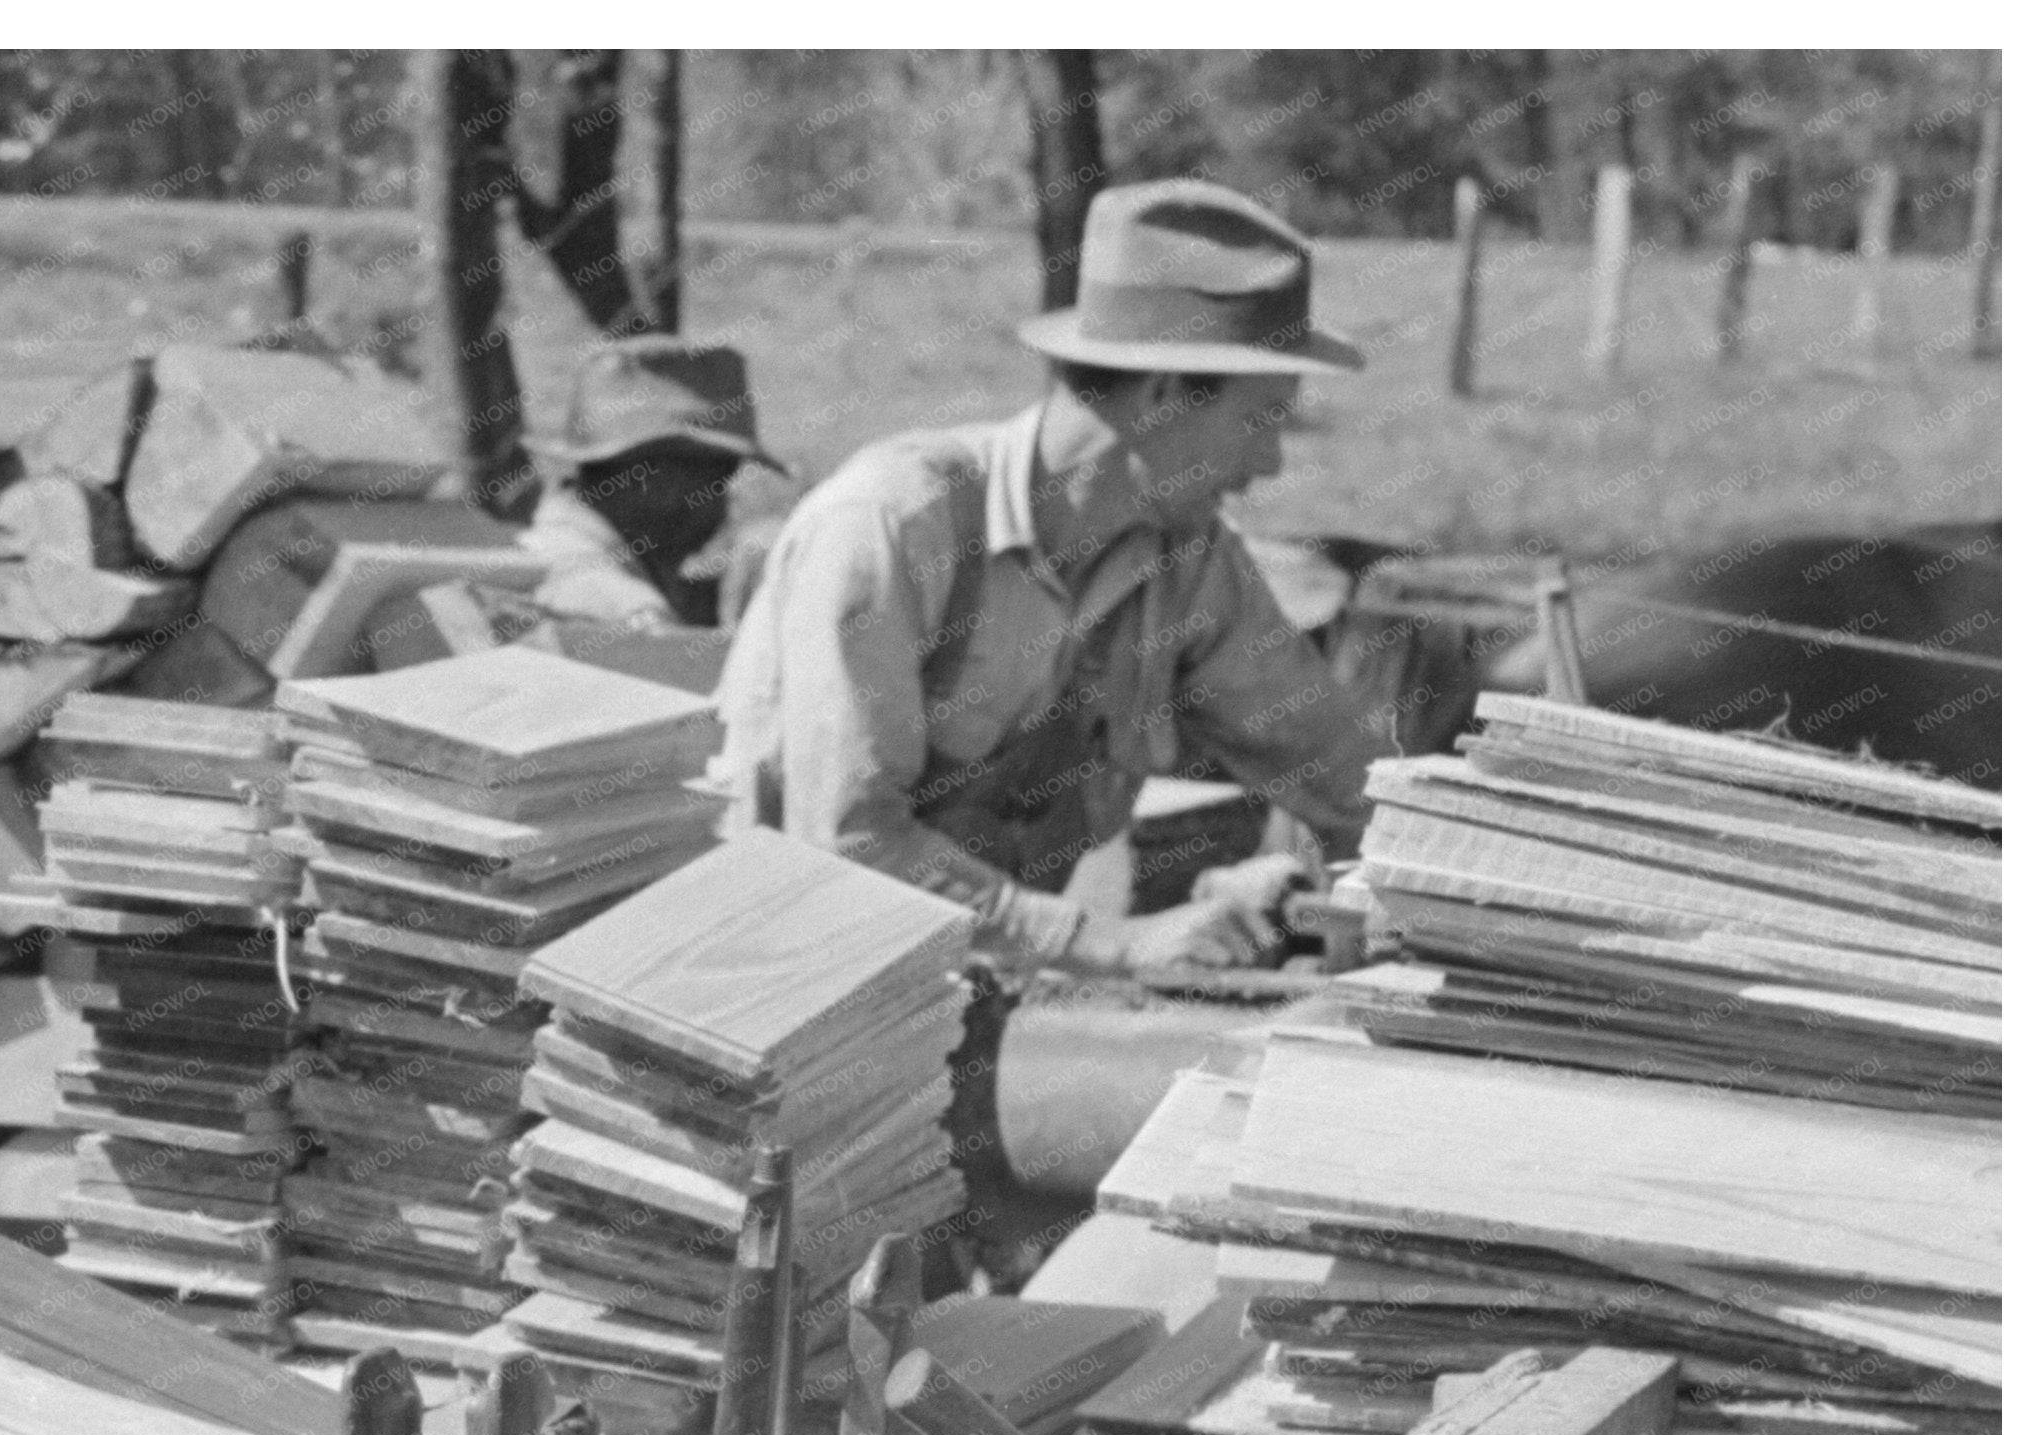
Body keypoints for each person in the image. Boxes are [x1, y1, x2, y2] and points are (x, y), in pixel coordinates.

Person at [712, 178, 1395, 984]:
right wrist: (1115, 942)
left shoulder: (1187, 561)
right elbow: (851, 845)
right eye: (1262, 419)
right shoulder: (893, 526)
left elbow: (1339, 772)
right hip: (758, 983)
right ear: (1166, 393)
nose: (1268, 465)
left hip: (950, 988)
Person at [518, 336, 786, 631]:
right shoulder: (569, 568)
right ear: (647, 474)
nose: (726, 497)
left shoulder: (640, 558)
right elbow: (579, 581)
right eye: (715, 477)